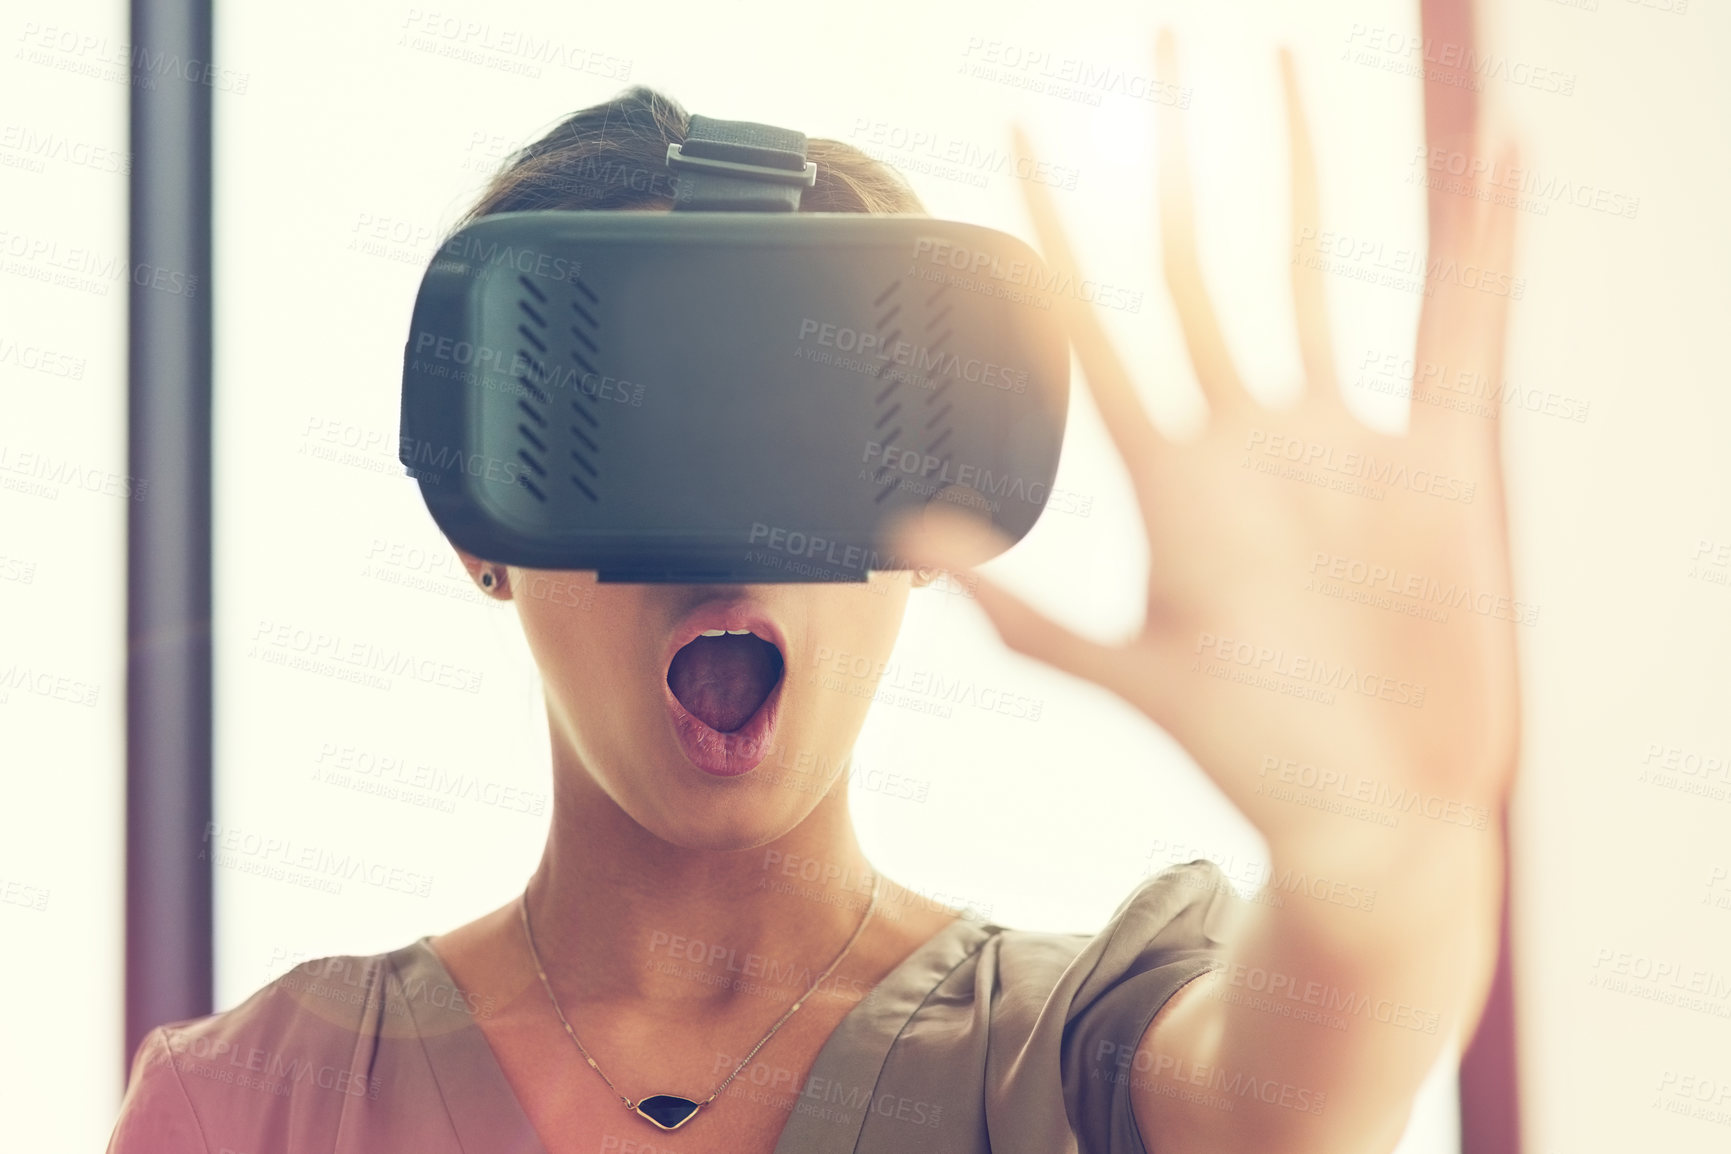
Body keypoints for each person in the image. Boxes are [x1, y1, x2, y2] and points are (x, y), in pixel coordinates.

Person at [108, 15, 1521, 1154]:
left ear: (921, 536)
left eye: (803, 436)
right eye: (633, 424)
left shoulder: (1069, 1057)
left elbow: (1296, 1089)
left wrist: (1384, 854)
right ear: (485, 525)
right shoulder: (257, 1104)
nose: (733, 530)